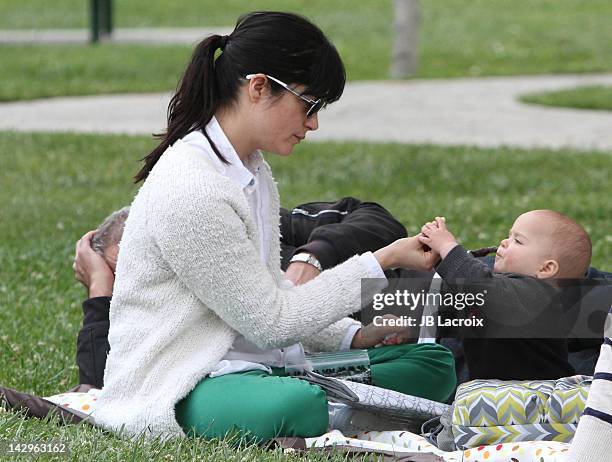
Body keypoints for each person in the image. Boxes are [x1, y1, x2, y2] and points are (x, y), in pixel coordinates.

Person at [88, 12, 457, 436]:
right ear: (259, 87)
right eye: (309, 104)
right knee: (294, 403)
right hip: (185, 382)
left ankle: (338, 407)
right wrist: (380, 261)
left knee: (431, 364)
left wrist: (356, 337)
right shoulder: (193, 188)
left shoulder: (251, 168)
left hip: (268, 365)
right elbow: (271, 322)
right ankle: (339, 407)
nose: (314, 123)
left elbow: (273, 294)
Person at [73, 198, 413, 388]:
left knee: (434, 360)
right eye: (124, 277)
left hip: (421, 306)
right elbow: (104, 383)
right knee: (294, 399)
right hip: (320, 369)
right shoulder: (156, 319)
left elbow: (379, 222)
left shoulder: (245, 229)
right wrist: (101, 291)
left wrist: (313, 257)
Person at [418, 210, 592, 380]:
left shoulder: (538, 296)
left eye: (518, 241)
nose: (504, 242)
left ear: (546, 268)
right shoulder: (503, 291)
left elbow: (480, 285)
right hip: (496, 393)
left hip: (539, 399)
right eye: (509, 236)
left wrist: (447, 248)